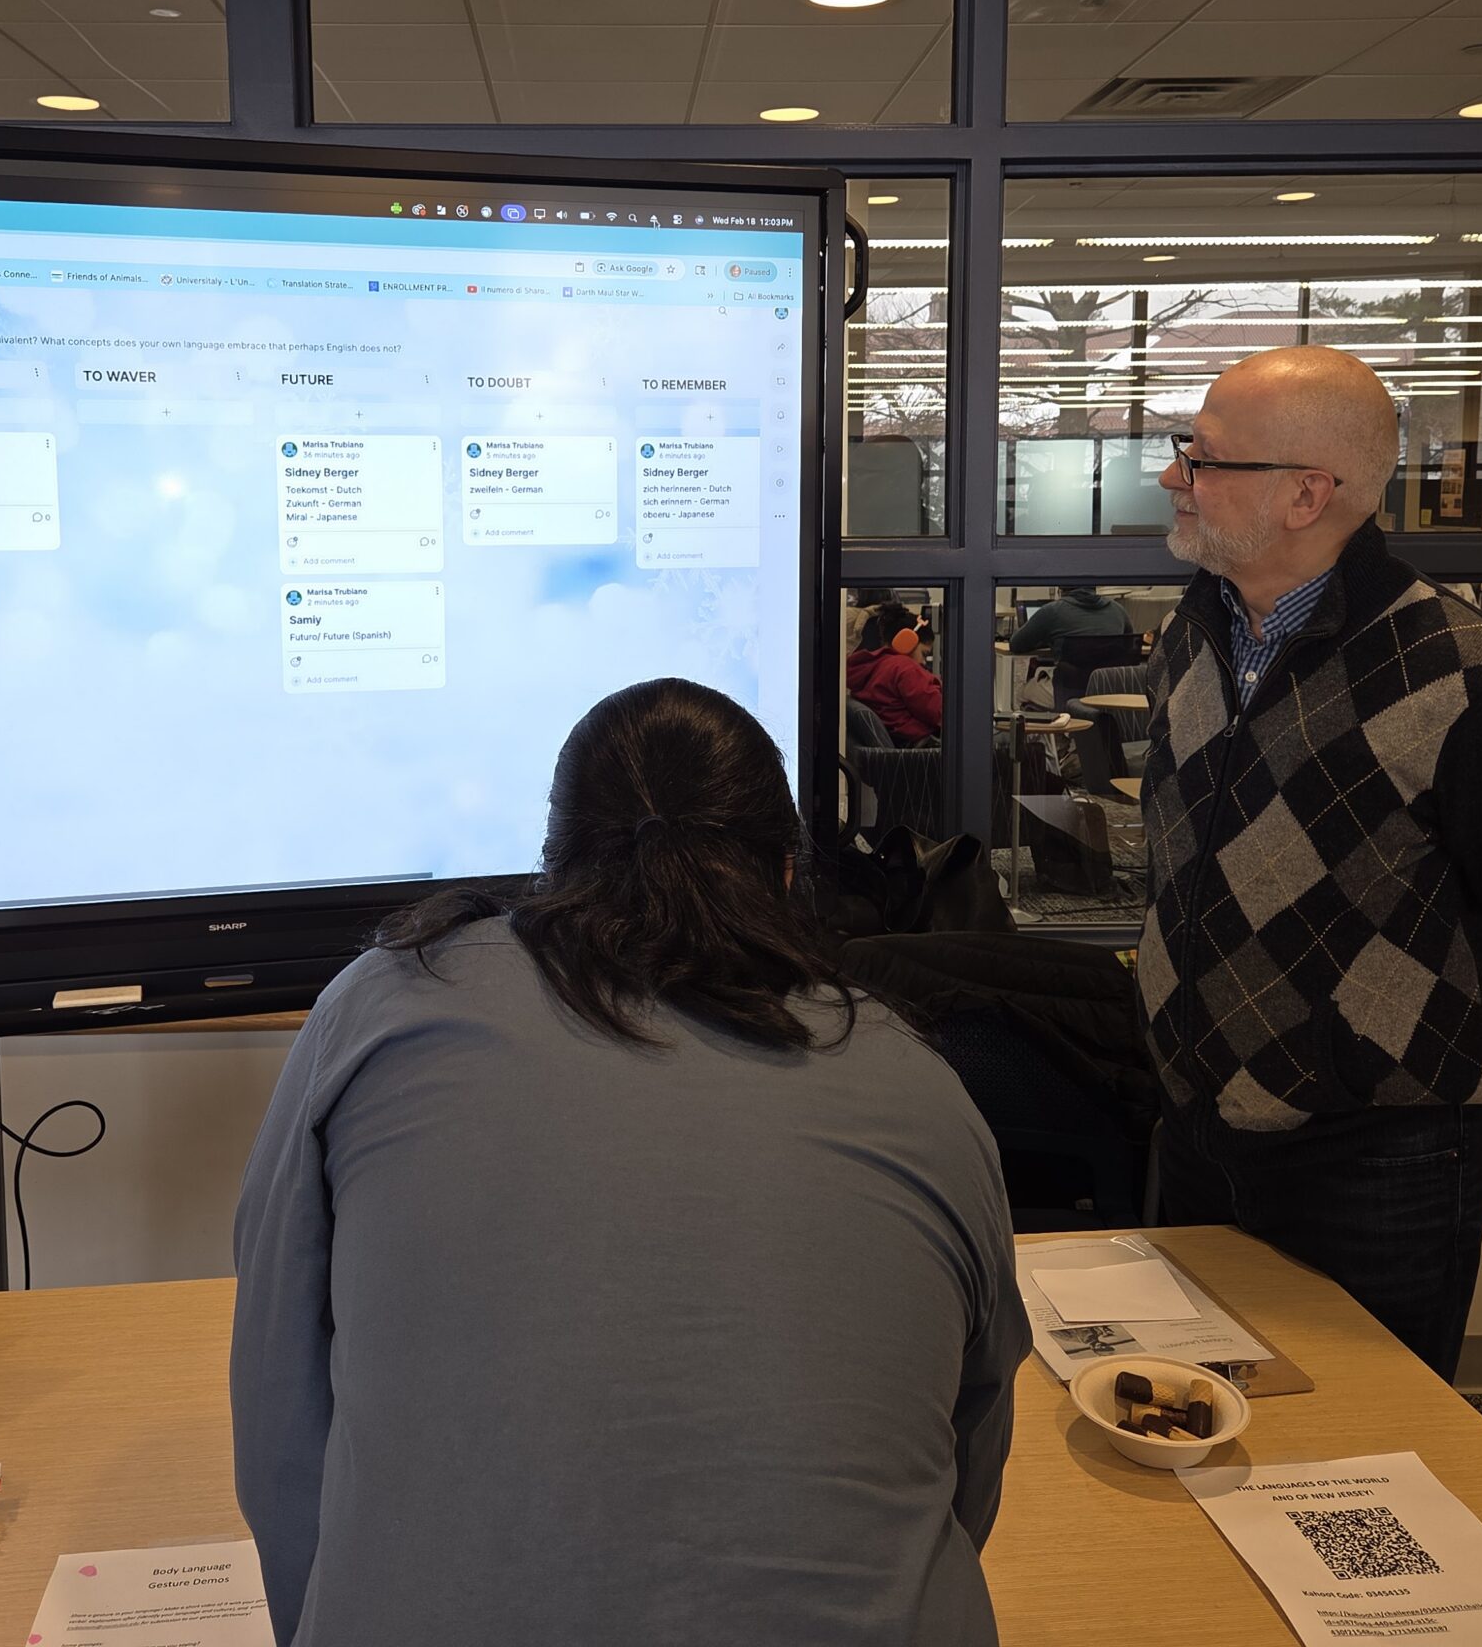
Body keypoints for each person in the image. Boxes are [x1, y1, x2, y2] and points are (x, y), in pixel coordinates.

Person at [232, 678, 1027, 1647]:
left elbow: (279, 1403)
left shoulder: (384, 1003)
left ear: (553, 862)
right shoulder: (918, 1082)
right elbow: (966, 1440)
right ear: (784, 872)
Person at [1138, 347, 1482, 1382]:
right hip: (1196, 1118)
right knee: (1201, 1414)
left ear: (1308, 494)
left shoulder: (1465, 674)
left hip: (1379, 1155)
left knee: (1371, 1439)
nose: (1174, 475)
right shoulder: (1191, 639)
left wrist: (1444, 1027)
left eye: (1203, 457)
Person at [846, 601, 944, 744]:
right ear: (907, 642)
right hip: (919, 748)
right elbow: (938, 712)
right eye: (924, 653)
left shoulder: (875, 666)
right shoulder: (904, 668)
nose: (923, 662)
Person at [1008, 585, 1132, 654]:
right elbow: (1130, 644)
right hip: (1108, 689)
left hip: (1070, 689)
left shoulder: (1052, 611)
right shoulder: (1118, 610)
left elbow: (1016, 644)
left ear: (1061, 588)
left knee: (1024, 691)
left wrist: (1048, 640)